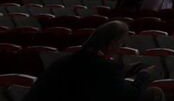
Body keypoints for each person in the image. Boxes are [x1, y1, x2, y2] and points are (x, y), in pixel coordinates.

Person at [24, 20, 164, 101]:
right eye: (121, 44)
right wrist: (144, 74)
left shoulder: (62, 62)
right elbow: (132, 93)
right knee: (154, 93)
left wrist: (121, 70)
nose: (122, 47)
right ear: (111, 45)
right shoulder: (107, 69)